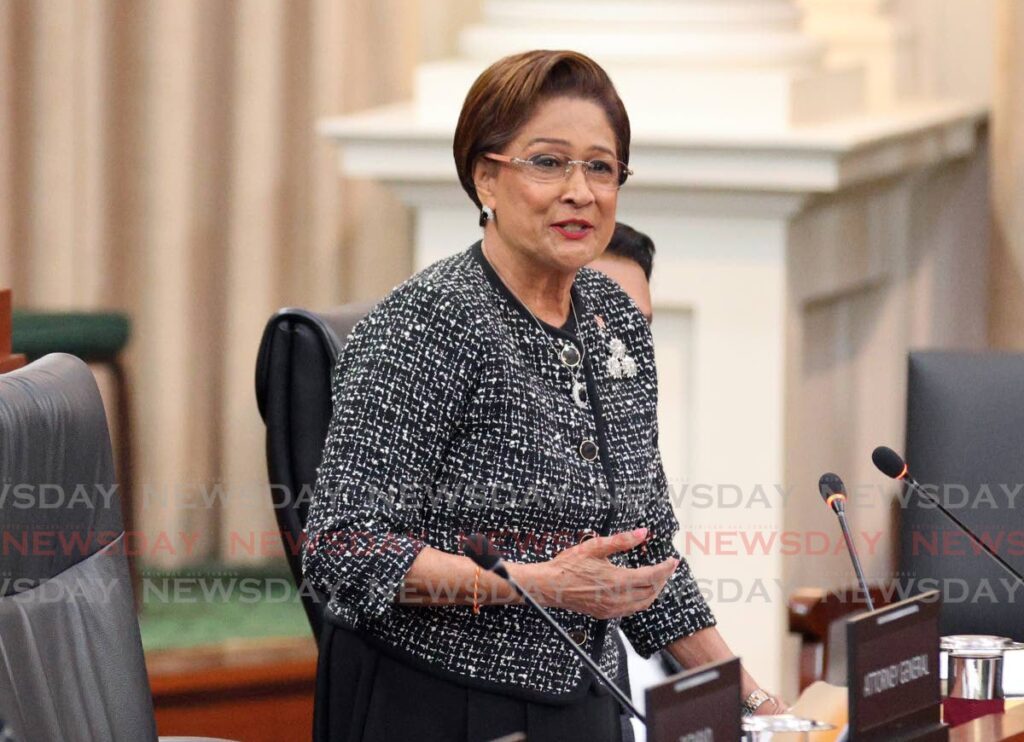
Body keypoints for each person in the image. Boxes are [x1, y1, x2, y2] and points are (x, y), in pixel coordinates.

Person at [303, 50, 782, 742]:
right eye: (549, 162)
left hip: (584, 693)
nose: (580, 191)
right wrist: (534, 584)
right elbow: (344, 550)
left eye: (600, 167)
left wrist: (757, 705)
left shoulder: (614, 320)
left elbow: (647, 562)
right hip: (437, 703)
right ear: (486, 178)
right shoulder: (426, 324)